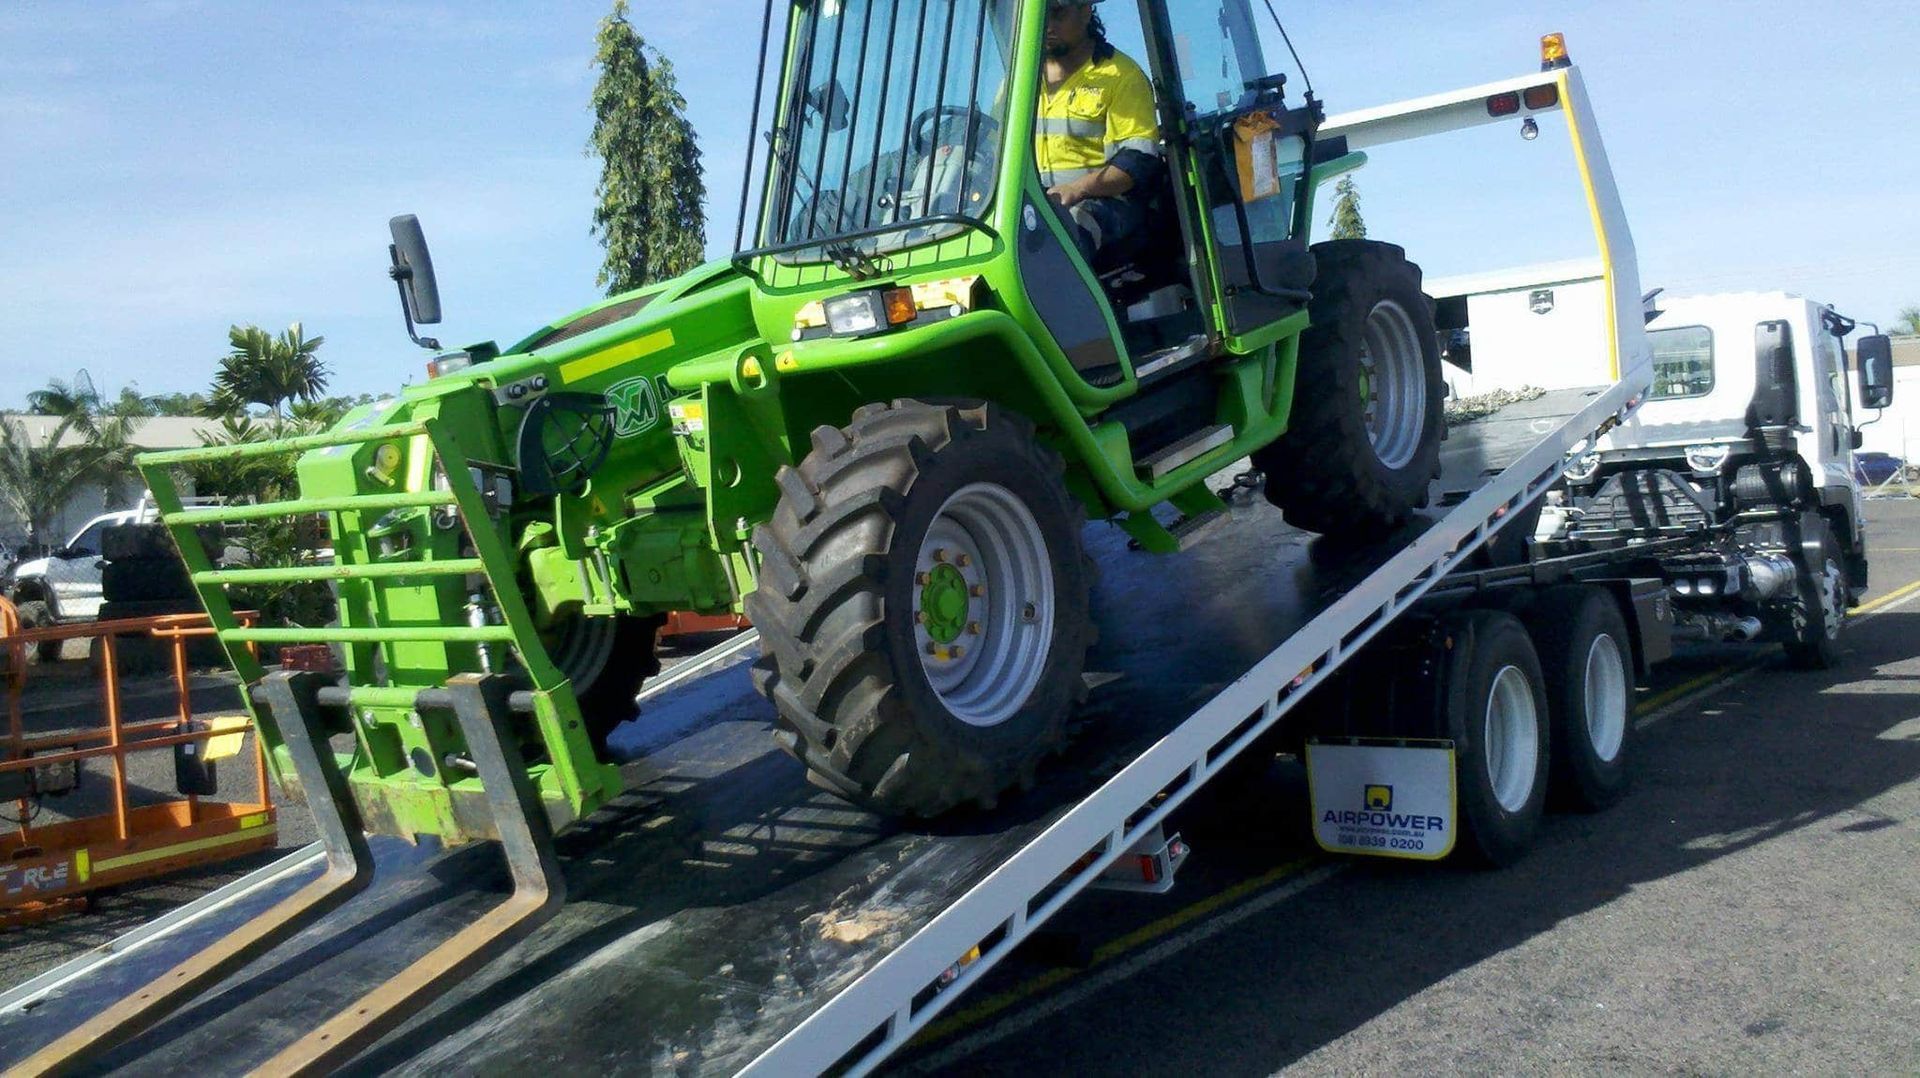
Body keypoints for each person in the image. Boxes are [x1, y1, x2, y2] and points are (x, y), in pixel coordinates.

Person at [1035, 0, 1164, 265]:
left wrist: (1076, 188)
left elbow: (1135, 165)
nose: (1047, 26)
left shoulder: (1121, 76)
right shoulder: (1020, 82)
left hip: (1105, 202)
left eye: (1058, 13)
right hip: (1037, 203)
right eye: (1041, 16)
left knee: (1065, 233)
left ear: (1086, 10)